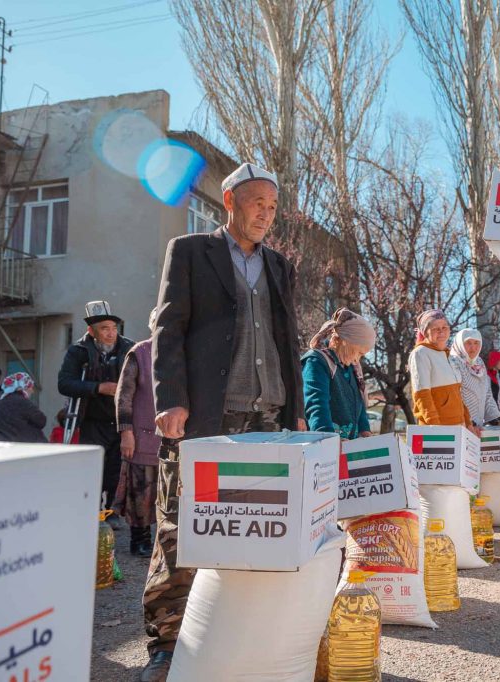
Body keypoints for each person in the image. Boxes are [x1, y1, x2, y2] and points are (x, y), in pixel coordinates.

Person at [141, 162, 305, 682]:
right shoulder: (191, 252)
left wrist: (296, 412)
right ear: (229, 201)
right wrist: (171, 399)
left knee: (256, 527)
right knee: (182, 527)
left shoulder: (279, 265)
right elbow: (168, 327)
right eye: (258, 203)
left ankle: (237, 635)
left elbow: (288, 339)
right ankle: (167, 644)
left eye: (273, 207)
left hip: (267, 415)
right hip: (208, 416)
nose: (266, 214)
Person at [58, 300, 135, 514]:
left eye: (113, 328)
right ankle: (89, 512)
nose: (111, 334)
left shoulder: (128, 347)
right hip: (92, 421)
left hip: (121, 420)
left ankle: (111, 513)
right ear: (91, 331)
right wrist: (98, 387)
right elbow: (64, 383)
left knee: (116, 470)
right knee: (93, 470)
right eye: (104, 329)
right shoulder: (79, 351)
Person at [115, 308, 162, 558]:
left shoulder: (182, 352)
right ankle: (140, 539)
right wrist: (126, 432)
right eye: (158, 321)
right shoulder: (139, 352)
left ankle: (162, 542)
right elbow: (123, 396)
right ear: (151, 324)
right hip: (142, 435)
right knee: (140, 492)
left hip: (172, 438)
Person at [302, 308, 376, 438]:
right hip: (322, 444)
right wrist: (327, 437)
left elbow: (358, 403)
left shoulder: (352, 367)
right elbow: (316, 404)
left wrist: (365, 429)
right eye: (359, 352)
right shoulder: (317, 361)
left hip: (347, 445)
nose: (358, 359)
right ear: (346, 342)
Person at [408, 309, 474, 429]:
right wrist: (436, 428)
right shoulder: (421, 353)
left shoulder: (449, 355)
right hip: (439, 428)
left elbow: (457, 395)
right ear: (425, 332)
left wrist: (468, 423)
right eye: (435, 329)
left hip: (459, 426)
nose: (441, 332)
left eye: (444, 327)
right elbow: (422, 396)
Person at [450, 328, 500, 427]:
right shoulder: (453, 362)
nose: (473, 347)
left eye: (476, 343)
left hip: (477, 426)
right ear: (460, 344)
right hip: (461, 424)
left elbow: (487, 394)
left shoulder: (479, 362)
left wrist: (496, 419)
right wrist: (468, 422)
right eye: (468, 343)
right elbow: (454, 397)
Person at [0, 371, 47, 442]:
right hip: (15, 443)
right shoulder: (21, 401)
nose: (32, 391)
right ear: (23, 387)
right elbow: (42, 421)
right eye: (30, 387)